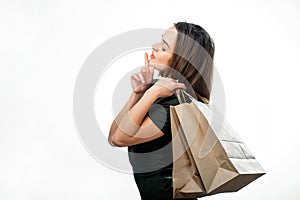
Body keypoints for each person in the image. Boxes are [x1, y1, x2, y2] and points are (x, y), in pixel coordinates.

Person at [108, 22, 215, 200]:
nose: (154, 47)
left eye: (164, 47)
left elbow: (117, 139)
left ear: (180, 61)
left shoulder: (175, 103)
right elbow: (113, 133)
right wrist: (138, 93)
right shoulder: (163, 92)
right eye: (161, 41)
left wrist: (152, 92)